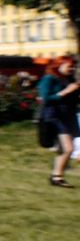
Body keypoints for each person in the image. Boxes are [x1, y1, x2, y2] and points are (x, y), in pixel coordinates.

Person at [37, 56, 78, 186]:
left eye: (73, 66)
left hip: (68, 115)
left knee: (63, 149)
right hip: (55, 116)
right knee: (69, 148)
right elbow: (46, 98)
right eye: (69, 66)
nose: (72, 68)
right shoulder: (49, 78)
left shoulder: (69, 80)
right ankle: (57, 176)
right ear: (58, 65)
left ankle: (57, 177)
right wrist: (66, 91)